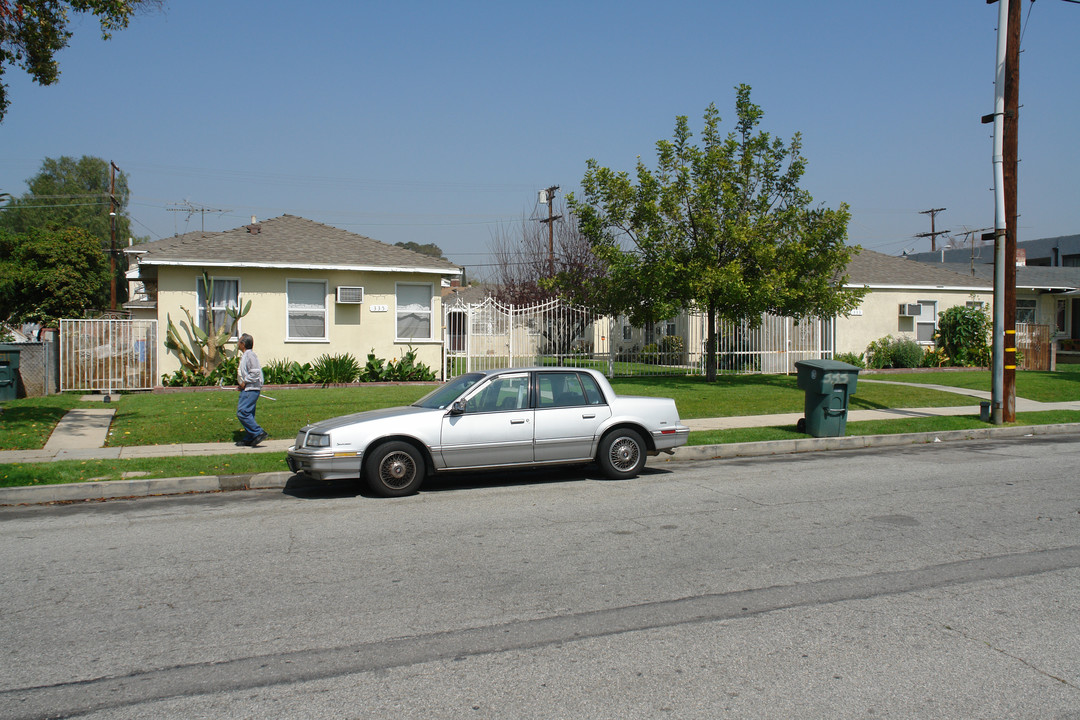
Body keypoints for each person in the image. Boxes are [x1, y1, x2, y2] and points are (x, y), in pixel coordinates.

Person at [236, 333, 268, 447]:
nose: (237, 344)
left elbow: (255, 373)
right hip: (247, 388)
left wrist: (245, 382)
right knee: (249, 414)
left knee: (242, 412)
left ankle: (258, 432)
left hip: (251, 388)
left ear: (243, 344)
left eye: (239, 341)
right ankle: (250, 437)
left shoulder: (250, 356)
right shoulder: (246, 355)